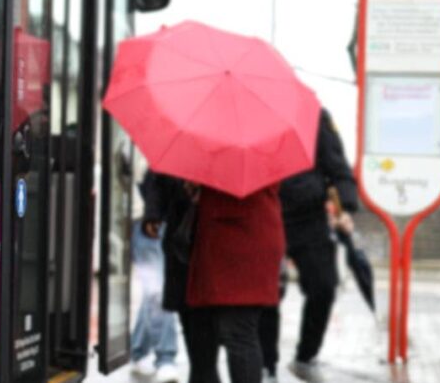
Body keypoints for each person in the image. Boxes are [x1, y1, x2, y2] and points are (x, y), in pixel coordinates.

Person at [258, 109, 358, 383]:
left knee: (324, 287)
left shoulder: (314, 116)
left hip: (309, 218)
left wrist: (346, 207)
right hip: (265, 214)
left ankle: (305, 356)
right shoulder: (251, 115)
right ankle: (266, 365)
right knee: (266, 294)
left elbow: (338, 167)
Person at [185, 184, 286, 383]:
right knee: (238, 331)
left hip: (235, 241)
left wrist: (195, 187)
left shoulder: (226, 159)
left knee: (239, 332)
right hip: (253, 236)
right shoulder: (265, 156)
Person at [140, 171, 206, 383]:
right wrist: (153, 213)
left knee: (211, 327)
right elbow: (156, 180)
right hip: (181, 242)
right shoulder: (180, 146)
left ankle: (198, 370)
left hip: (216, 244)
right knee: (188, 316)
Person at [130, 219, 180, 382]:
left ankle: (139, 351)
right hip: (151, 222)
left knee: (154, 292)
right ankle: (165, 357)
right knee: (158, 291)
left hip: (157, 221)